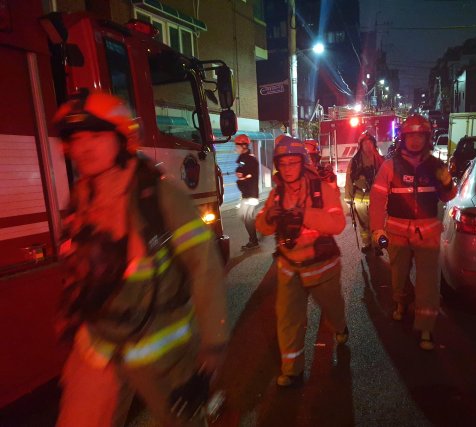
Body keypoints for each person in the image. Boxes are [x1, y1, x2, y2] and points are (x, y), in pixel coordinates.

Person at [53, 91, 229, 426]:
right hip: (98, 349)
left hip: (164, 355)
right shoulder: (81, 198)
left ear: (121, 138)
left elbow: (205, 269)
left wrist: (211, 353)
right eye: (76, 138)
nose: (85, 147)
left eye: (96, 135)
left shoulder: (162, 196)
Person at [255, 135, 348, 387]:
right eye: (282, 164)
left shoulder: (323, 190)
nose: (287, 169)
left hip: (322, 268)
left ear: (304, 163)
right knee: (287, 319)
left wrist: (304, 214)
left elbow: (337, 223)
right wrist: (269, 218)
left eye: (292, 163)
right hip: (289, 268)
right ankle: (292, 370)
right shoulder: (276, 194)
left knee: (333, 310)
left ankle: (340, 328)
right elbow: (261, 226)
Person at [369, 114, 456, 351]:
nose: (415, 141)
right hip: (397, 233)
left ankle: (426, 327)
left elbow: (449, 196)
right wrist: (377, 229)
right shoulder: (390, 166)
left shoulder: (437, 166)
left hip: (427, 234)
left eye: (420, 136)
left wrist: (447, 183)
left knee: (428, 282)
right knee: (399, 276)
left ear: (427, 138)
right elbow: (377, 199)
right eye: (411, 136)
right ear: (404, 138)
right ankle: (401, 302)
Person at [344, 131, 385, 253]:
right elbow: (349, 180)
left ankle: (376, 244)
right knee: (363, 223)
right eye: (365, 143)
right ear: (361, 145)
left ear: (374, 144)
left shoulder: (380, 160)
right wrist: (348, 198)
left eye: (370, 143)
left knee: (377, 223)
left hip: (376, 198)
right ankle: (367, 243)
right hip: (359, 197)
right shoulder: (355, 161)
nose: (368, 146)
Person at [234, 134, 260, 250]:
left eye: (238, 145)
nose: (236, 148)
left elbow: (247, 176)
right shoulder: (244, 159)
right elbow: (240, 171)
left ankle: (254, 241)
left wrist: (242, 179)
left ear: (244, 145)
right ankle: (253, 239)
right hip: (247, 194)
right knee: (246, 217)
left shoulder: (249, 159)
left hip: (251, 195)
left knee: (247, 217)